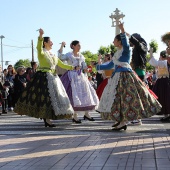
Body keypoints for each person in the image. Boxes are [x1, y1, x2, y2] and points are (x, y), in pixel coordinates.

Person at [96, 23, 161, 131]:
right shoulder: (117, 53)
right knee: (117, 99)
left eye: (114, 40)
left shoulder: (126, 50)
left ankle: (124, 121)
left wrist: (122, 30)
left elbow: (126, 44)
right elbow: (110, 65)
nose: (113, 42)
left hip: (125, 76)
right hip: (116, 77)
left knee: (125, 98)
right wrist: (97, 66)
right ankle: (119, 120)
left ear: (119, 41)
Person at [14, 28, 74, 127]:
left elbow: (62, 65)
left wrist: (72, 67)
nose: (52, 43)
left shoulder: (54, 55)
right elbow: (38, 47)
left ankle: (48, 119)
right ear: (45, 43)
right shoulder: (42, 53)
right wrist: (40, 36)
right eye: (50, 41)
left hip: (54, 78)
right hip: (43, 78)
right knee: (46, 99)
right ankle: (47, 119)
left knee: (54, 98)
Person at [58, 40, 99, 123]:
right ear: (73, 46)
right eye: (78, 45)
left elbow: (84, 66)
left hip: (80, 76)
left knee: (85, 94)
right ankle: (75, 115)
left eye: (80, 46)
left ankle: (86, 114)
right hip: (71, 76)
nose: (80, 47)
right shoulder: (69, 55)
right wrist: (62, 46)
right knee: (73, 95)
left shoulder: (81, 56)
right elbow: (60, 56)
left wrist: (86, 69)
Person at [149, 49, 170, 121]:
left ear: (161, 56)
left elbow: (155, 63)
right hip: (162, 82)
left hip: (164, 82)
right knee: (162, 98)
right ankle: (166, 114)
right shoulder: (163, 62)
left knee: (165, 98)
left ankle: (167, 114)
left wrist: (151, 53)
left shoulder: (164, 62)